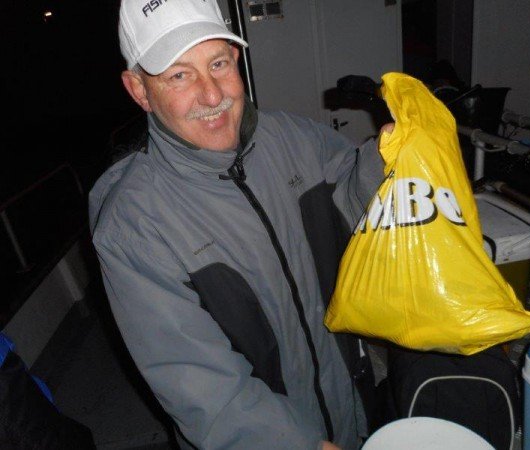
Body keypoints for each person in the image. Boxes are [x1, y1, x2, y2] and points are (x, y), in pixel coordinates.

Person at [89, 0, 388, 448]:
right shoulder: (132, 225)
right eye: (179, 75)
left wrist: (387, 156)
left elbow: (351, 198)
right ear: (138, 90)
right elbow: (204, 390)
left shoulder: (295, 137)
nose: (212, 95)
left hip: (351, 405)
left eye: (218, 63)